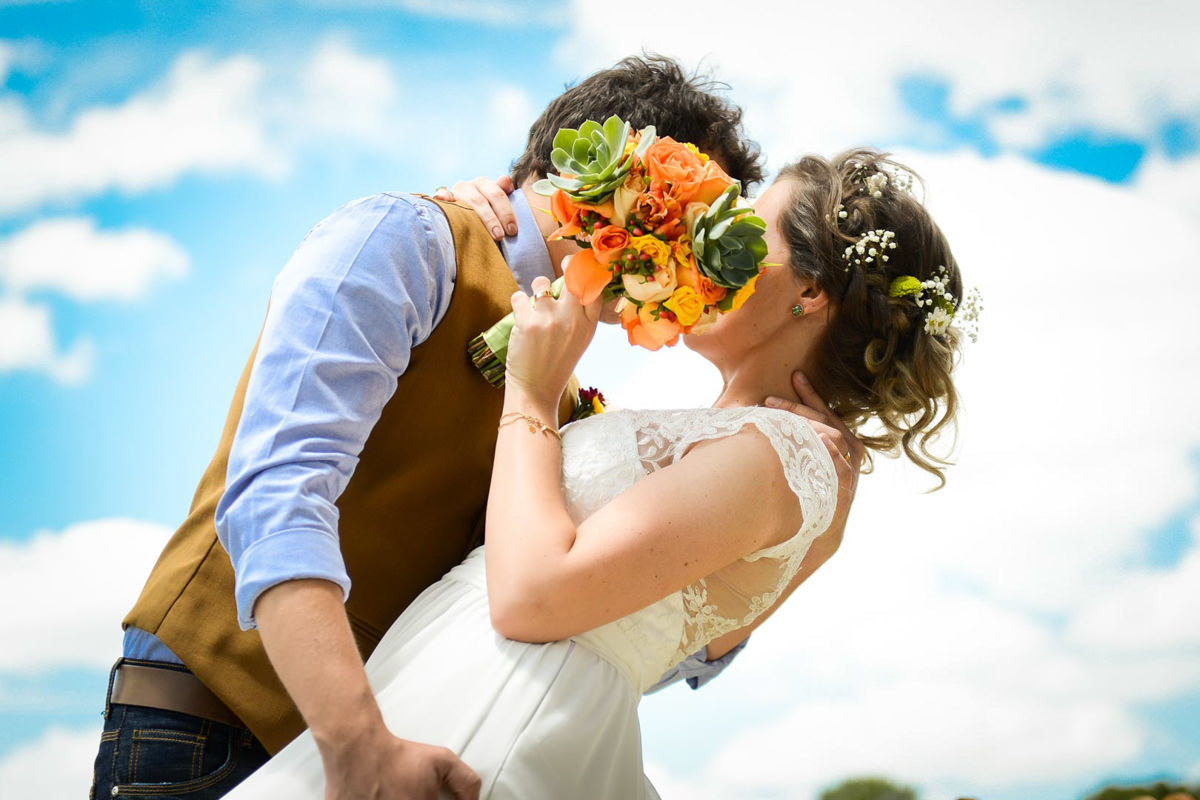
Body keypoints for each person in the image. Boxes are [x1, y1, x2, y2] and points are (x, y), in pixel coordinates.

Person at [89, 55, 860, 800]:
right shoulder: (408, 239)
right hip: (209, 735)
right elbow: (276, 489)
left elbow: (588, 629)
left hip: (390, 764)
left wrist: (790, 545)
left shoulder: (559, 388)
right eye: (696, 218)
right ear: (619, 175)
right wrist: (355, 740)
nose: (705, 265)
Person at [225, 148, 967, 799]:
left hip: (500, 716)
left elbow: (533, 599)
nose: (708, 243)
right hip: (444, 684)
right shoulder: (755, 446)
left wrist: (531, 394)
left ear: (810, 293)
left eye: (747, 230)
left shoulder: (782, 453)